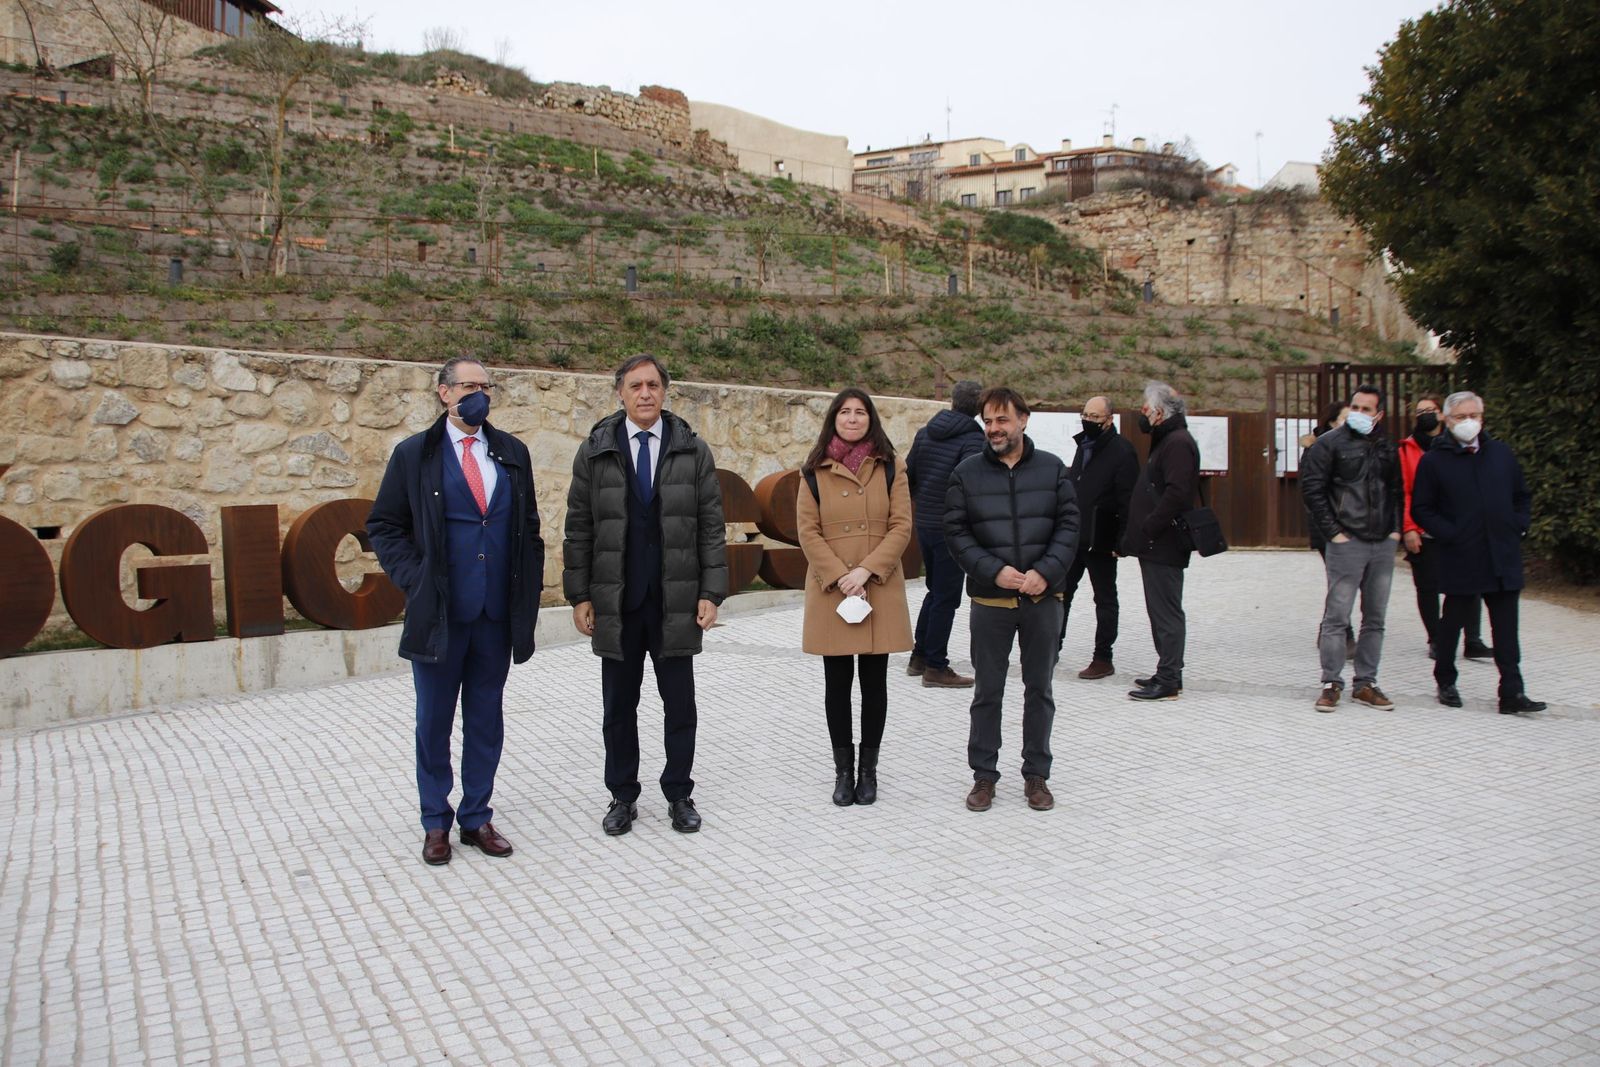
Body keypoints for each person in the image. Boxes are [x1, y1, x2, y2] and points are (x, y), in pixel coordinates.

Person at [367, 356, 545, 866]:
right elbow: (384, 525)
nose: (479, 394)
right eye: (469, 385)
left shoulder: (512, 453)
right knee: (434, 722)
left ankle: (476, 816)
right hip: (441, 613)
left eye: (486, 386)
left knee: (486, 718)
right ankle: (434, 821)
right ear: (444, 393)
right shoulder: (414, 455)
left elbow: (526, 527)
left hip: (494, 615)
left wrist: (526, 586)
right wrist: (415, 578)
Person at [563, 354, 728, 836]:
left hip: (674, 601)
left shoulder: (692, 451)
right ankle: (622, 795)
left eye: (653, 384)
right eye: (635, 385)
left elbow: (711, 529)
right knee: (618, 708)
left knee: (680, 706)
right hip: (617, 603)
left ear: (664, 391)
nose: (645, 393)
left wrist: (711, 591)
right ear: (620, 392)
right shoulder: (595, 450)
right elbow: (579, 529)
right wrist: (580, 596)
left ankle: (679, 793)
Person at [944, 387, 1079, 813]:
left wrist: (1047, 571)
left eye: (1001, 420)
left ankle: (1036, 775)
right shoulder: (966, 473)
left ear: (1023, 420)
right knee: (988, 692)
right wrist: (993, 570)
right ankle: (984, 776)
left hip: (1043, 602)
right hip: (991, 603)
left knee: (1040, 690)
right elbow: (957, 533)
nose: (993, 429)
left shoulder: (1053, 469)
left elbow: (1070, 526)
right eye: (987, 421)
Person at [797, 388, 914, 806]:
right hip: (834, 589)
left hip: (876, 585)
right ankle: (842, 773)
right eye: (844, 412)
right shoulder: (813, 470)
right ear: (833, 419)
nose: (851, 418)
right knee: (837, 683)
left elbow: (901, 526)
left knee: (874, 682)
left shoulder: (891, 467)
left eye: (859, 412)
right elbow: (807, 531)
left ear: (871, 418)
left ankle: (869, 772)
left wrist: (865, 570)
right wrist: (840, 575)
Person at [1413, 391, 1545, 714]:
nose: (1469, 422)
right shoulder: (1434, 460)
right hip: (1461, 556)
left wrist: (1519, 525)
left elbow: (1521, 495)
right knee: (1452, 623)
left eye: (1475, 416)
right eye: (1461, 417)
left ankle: (1512, 692)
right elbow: (1422, 508)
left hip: (1502, 554)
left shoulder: (1500, 453)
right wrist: (1451, 534)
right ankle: (1445, 680)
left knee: (1506, 630)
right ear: (1446, 419)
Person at [1300, 384, 1403, 712]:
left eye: (1366, 409)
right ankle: (1331, 682)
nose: (1358, 414)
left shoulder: (1387, 448)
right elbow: (1313, 490)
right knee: (1337, 616)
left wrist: (1396, 531)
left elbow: (1397, 490)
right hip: (1347, 542)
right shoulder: (1329, 445)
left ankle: (1366, 682)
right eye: (1355, 407)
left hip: (1382, 542)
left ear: (1379, 414)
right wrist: (1334, 533)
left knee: (1375, 616)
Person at [1121, 380, 1200, 702]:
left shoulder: (1177, 442)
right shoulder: (1167, 439)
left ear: (1159, 412)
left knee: (1166, 611)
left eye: (1146, 407)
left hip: (1164, 542)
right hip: (1156, 542)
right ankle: (1167, 671)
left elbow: (1178, 493)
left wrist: (1149, 526)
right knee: (1160, 610)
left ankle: (1169, 679)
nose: (1143, 413)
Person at [1399, 392, 1492, 661]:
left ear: (1442, 414)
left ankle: (1473, 639)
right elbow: (1406, 491)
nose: (1424, 415)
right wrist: (1409, 527)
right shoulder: (1406, 448)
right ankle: (1436, 639)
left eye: (1429, 410)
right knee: (1427, 586)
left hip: (1460, 527)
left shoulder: (1463, 444)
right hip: (1424, 527)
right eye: (1419, 412)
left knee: (1471, 582)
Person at [904, 380, 984, 688]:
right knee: (946, 597)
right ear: (978, 408)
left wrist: (924, 502)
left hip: (924, 523)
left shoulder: (925, 433)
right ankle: (936, 666)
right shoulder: (973, 440)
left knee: (935, 591)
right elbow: (971, 487)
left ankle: (920, 656)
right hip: (951, 528)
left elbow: (908, 477)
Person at [1056, 395, 1138, 680]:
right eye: (1086, 415)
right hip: (1075, 535)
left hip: (1102, 538)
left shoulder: (1123, 451)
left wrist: (1122, 541)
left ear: (1109, 420)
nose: (1088, 421)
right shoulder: (1084, 446)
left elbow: (1129, 500)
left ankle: (1103, 657)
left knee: (1104, 598)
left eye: (1095, 417)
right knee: (1061, 593)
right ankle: (1052, 647)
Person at [1303, 399, 1355, 658]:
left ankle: (1330, 629)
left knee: (1342, 580)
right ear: (1332, 422)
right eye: (1346, 418)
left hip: (1354, 526)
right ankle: (1341, 633)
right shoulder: (1319, 449)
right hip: (1328, 527)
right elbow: (1313, 491)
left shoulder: (1358, 446)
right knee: (1340, 580)